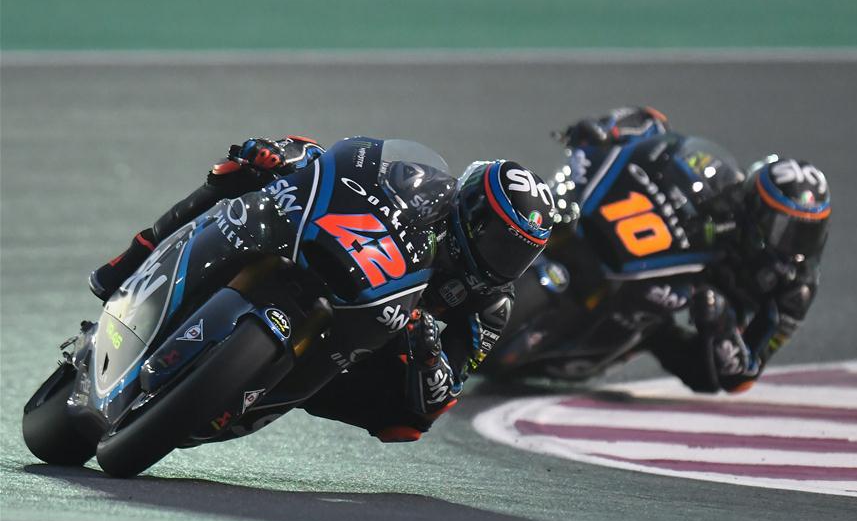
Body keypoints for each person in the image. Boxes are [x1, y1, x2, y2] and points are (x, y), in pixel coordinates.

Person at [89, 135, 555, 440]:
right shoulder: (426, 185)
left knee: (406, 422)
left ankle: (256, 387)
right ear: (471, 212)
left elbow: (440, 397)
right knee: (245, 171)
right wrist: (291, 155)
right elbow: (345, 169)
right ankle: (132, 258)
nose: (505, 263)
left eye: (521, 255)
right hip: (342, 254)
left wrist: (428, 350)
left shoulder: (491, 305)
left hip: (364, 346)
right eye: (500, 243)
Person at [485, 107, 830, 394]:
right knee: (556, 210)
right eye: (785, 229)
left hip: (703, 312)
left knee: (698, 370)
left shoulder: (795, 291)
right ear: (755, 209)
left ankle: (614, 343)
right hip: (657, 255)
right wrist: (614, 130)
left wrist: (721, 325)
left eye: (807, 232)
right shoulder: (730, 198)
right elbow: (660, 136)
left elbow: (741, 377)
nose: (794, 244)